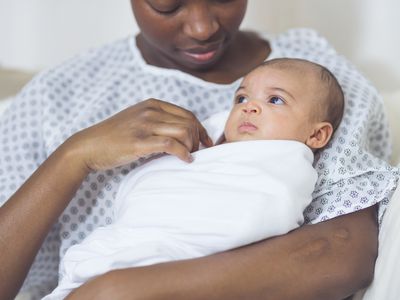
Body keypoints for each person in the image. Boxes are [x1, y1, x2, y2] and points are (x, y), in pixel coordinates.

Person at [0, 1, 398, 299]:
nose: (203, 27)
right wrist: (75, 156)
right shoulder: (56, 97)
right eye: (169, 3)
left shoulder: (320, 80)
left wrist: (117, 291)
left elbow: (338, 250)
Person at [44, 58, 345, 299]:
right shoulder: (211, 147)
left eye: (276, 101)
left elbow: (266, 209)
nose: (249, 106)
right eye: (241, 97)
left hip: (177, 273)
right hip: (123, 254)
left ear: (316, 134)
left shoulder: (285, 163)